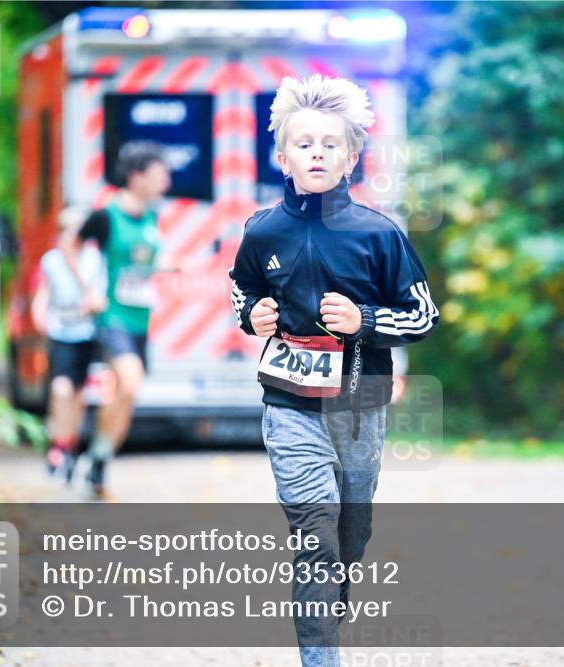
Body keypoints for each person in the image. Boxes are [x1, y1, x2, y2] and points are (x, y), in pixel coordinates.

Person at [228, 74, 439, 667]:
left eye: (329, 144)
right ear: (282, 156)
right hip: (289, 404)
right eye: (304, 143)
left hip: (359, 405)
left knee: (350, 531)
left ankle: (333, 591)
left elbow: (423, 315)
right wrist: (254, 314)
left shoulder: (379, 234)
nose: (316, 153)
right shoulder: (262, 229)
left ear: (350, 157)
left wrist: (364, 320)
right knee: (314, 531)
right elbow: (241, 289)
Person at [59, 141, 171, 500]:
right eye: (158, 176)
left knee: (127, 396)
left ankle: (98, 460)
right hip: (112, 316)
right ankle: (88, 453)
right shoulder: (106, 215)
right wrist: (86, 291)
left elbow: (146, 258)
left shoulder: (152, 215)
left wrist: (166, 265)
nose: (164, 182)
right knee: (130, 380)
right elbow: (68, 245)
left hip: (140, 319)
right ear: (136, 177)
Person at [32, 206, 106, 482]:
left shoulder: (93, 259)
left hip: (86, 334)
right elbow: (43, 293)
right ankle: (58, 444)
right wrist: (40, 315)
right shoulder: (51, 260)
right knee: (61, 389)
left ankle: (69, 446)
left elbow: (98, 294)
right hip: (60, 332)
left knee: (79, 395)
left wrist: (92, 303)